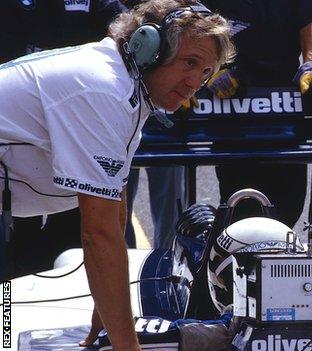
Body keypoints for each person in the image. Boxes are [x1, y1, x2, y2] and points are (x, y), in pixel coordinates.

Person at [0, 0, 235, 348]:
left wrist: (107, 307)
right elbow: (99, 233)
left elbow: (116, 199)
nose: (195, 82)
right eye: (190, 62)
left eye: (206, 72)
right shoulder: (103, 88)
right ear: (149, 47)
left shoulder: (124, 83)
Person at [0, 0, 128, 278]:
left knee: (90, 237)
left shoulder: (99, 6)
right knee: (13, 252)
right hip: (18, 140)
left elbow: (126, 39)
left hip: (83, 135)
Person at [200, 0, 312, 229]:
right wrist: (210, 71)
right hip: (232, 104)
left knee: (289, 205)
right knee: (238, 205)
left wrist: (309, 64)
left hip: (285, 104)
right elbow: (194, 25)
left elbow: (311, 21)